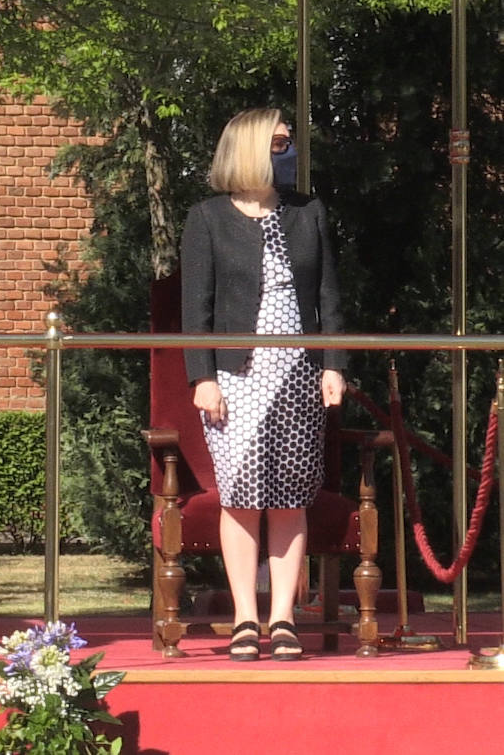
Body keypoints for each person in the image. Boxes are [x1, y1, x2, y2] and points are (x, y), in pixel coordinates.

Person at [181, 107, 345, 661]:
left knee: (290, 497)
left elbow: (329, 298)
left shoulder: (308, 212)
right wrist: (201, 376)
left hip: (298, 372)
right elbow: (194, 308)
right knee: (242, 495)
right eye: (278, 143)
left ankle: (283, 618)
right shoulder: (207, 218)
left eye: (289, 142)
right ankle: (245, 616)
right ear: (250, 148)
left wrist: (333, 364)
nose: (288, 150)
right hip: (234, 376)